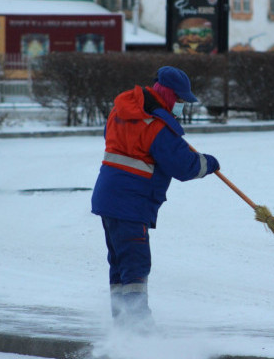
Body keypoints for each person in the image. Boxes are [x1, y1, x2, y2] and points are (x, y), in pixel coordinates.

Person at [91, 66, 220, 332]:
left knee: (119, 266)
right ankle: (140, 330)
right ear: (169, 95)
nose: (181, 107)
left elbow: (117, 141)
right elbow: (183, 166)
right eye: (181, 101)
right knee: (136, 267)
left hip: (108, 198)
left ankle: (122, 325)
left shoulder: (121, 109)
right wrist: (209, 163)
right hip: (131, 204)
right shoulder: (157, 127)